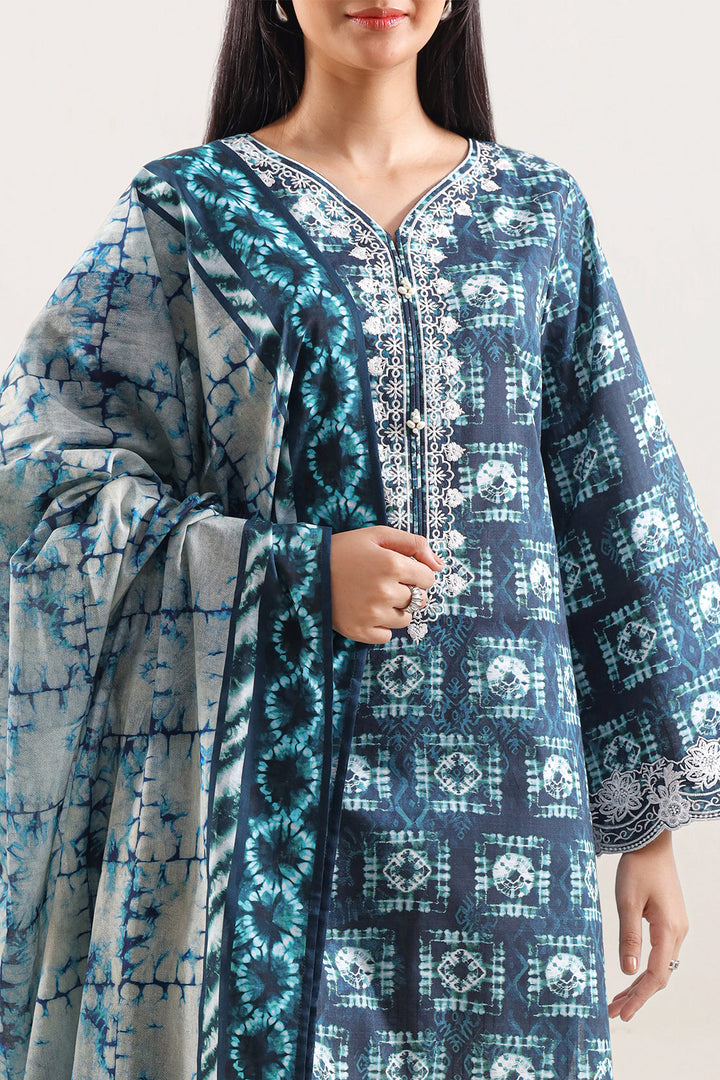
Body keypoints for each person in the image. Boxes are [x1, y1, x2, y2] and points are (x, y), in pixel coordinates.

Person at [0, 1, 718, 1078]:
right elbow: (39, 487)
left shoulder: (539, 213)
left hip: (519, 811)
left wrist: (648, 834)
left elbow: (613, 512)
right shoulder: (190, 212)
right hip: (278, 816)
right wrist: (287, 576)